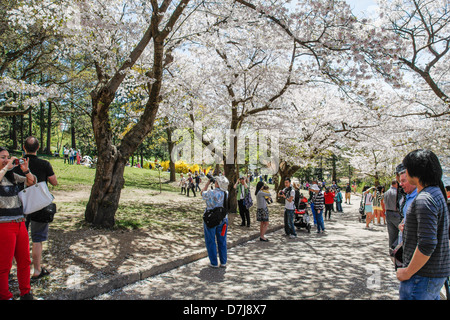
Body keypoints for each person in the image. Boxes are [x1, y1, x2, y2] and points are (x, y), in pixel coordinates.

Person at [397, 149, 450, 300]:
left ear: (415, 171)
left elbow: (427, 244)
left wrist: (407, 272)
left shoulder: (424, 199)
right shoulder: (436, 192)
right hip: (433, 273)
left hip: (421, 276)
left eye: (407, 169)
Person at [14, 137, 58, 281]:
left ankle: (15, 269)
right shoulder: (44, 164)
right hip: (39, 204)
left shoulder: (17, 164)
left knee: (19, 238)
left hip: (21, 204)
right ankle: (37, 270)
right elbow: (54, 182)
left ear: (23, 147)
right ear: (38, 148)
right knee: (37, 238)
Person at [0, 146, 36, 300]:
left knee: (24, 261)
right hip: (4, 225)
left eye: (8, 156)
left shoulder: (11, 176)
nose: (6, 160)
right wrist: (5, 168)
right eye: (2, 157)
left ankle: (25, 293)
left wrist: (26, 170)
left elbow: (32, 182)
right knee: (4, 265)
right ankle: (5, 295)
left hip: (19, 222)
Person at [201, 175, 229, 268]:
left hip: (211, 219)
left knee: (211, 240)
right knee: (222, 240)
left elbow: (202, 193)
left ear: (217, 184)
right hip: (223, 219)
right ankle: (223, 261)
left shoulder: (211, 193)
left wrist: (208, 183)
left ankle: (214, 262)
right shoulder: (226, 193)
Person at [384, 180, 402, 250]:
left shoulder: (386, 193)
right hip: (396, 213)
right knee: (402, 231)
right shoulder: (397, 192)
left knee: (391, 234)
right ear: (396, 184)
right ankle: (395, 246)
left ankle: (391, 249)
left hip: (388, 213)